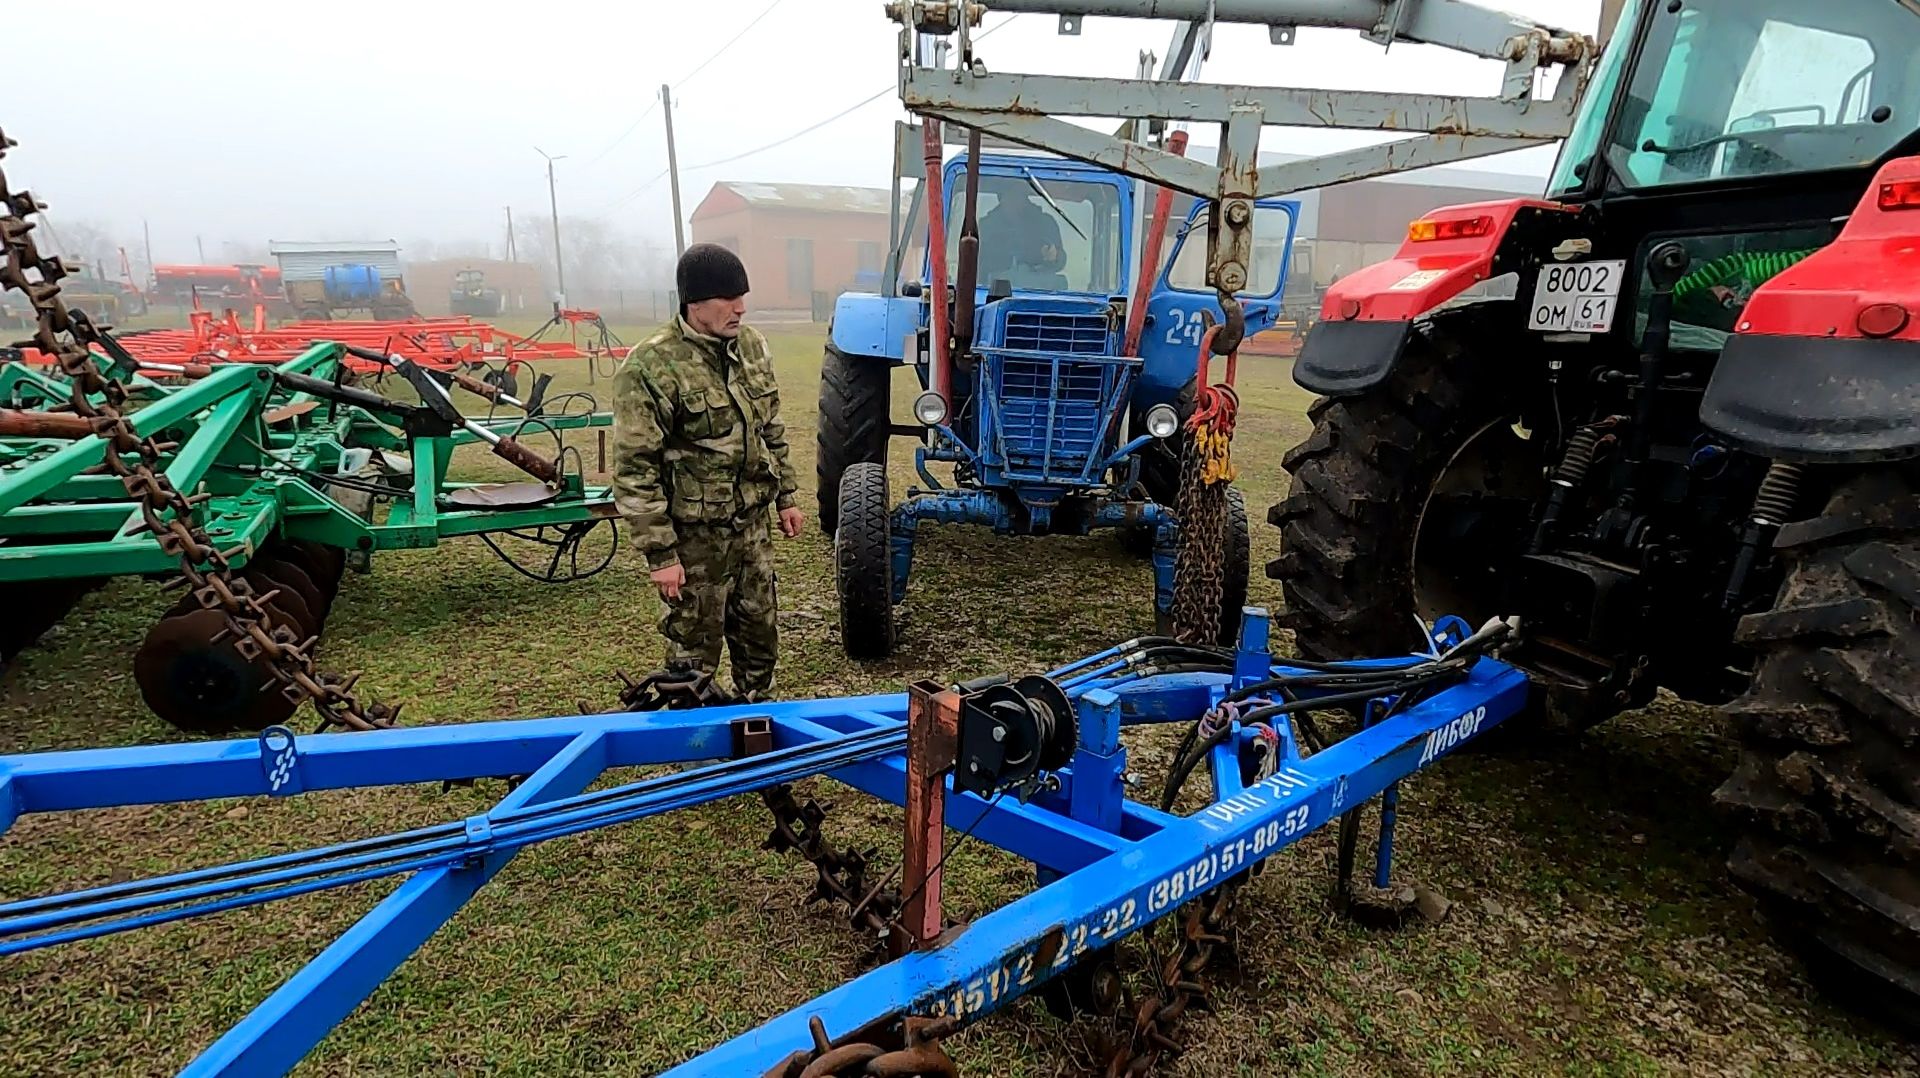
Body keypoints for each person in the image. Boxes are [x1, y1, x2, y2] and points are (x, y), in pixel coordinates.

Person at [612, 243, 803, 699]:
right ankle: (696, 747)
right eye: (727, 298)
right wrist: (661, 556)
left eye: (743, 296)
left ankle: (755, 733)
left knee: (760, 641)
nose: (740, 307)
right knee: (693, 654)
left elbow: (770, 425)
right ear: (693, 303)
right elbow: (635, 468)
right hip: (696, 539)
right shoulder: (650, 366)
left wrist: (787, 496)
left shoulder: (752, 346)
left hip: (752, 530)